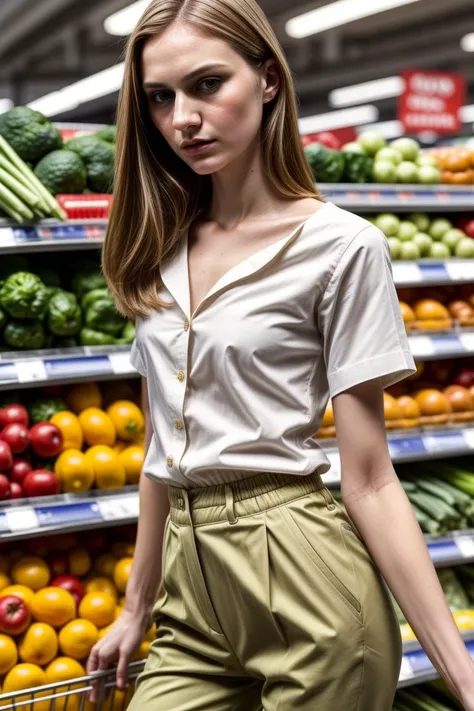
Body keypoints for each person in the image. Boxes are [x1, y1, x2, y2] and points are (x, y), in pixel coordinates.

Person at [86, 0, 474, 709]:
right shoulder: (160, 249)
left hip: (305, 577)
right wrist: (135, 607)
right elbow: (158, 448)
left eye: (208, 84)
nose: (183, 118)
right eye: (160, 97)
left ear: (267, 80)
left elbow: (370, 478)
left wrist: (463, 675)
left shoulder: (342, 246)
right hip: (189, 591)